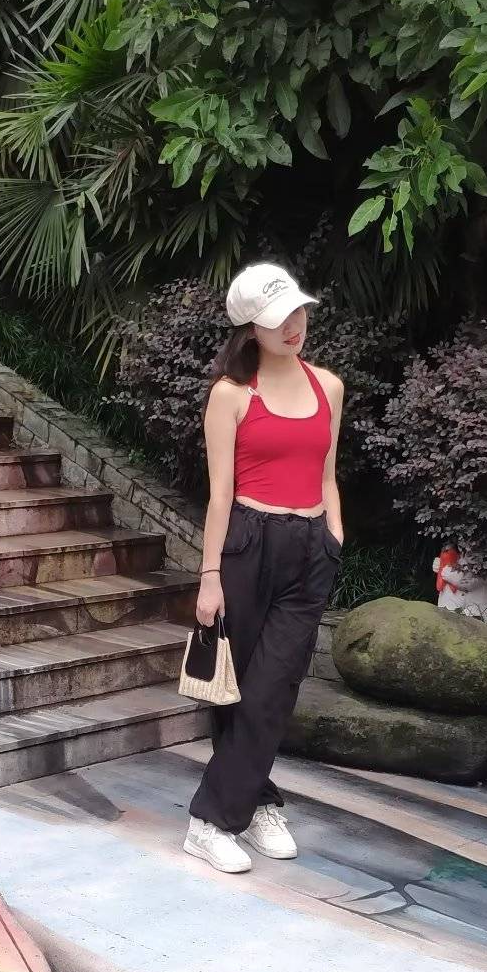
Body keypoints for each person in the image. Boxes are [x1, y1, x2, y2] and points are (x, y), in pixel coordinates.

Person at [185, 262, 345, 874]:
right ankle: (236, 811)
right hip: (248, 543)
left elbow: (328, 474)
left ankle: (219, 813)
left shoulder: (328, 387)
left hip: (309, 546)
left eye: (298, 311)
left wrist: (333, 536)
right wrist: (209, 576)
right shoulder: (231, 395)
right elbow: (219, 494)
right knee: (237, 692)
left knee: (273, 689)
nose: (294, 325)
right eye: (279, 319)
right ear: (252, 327)